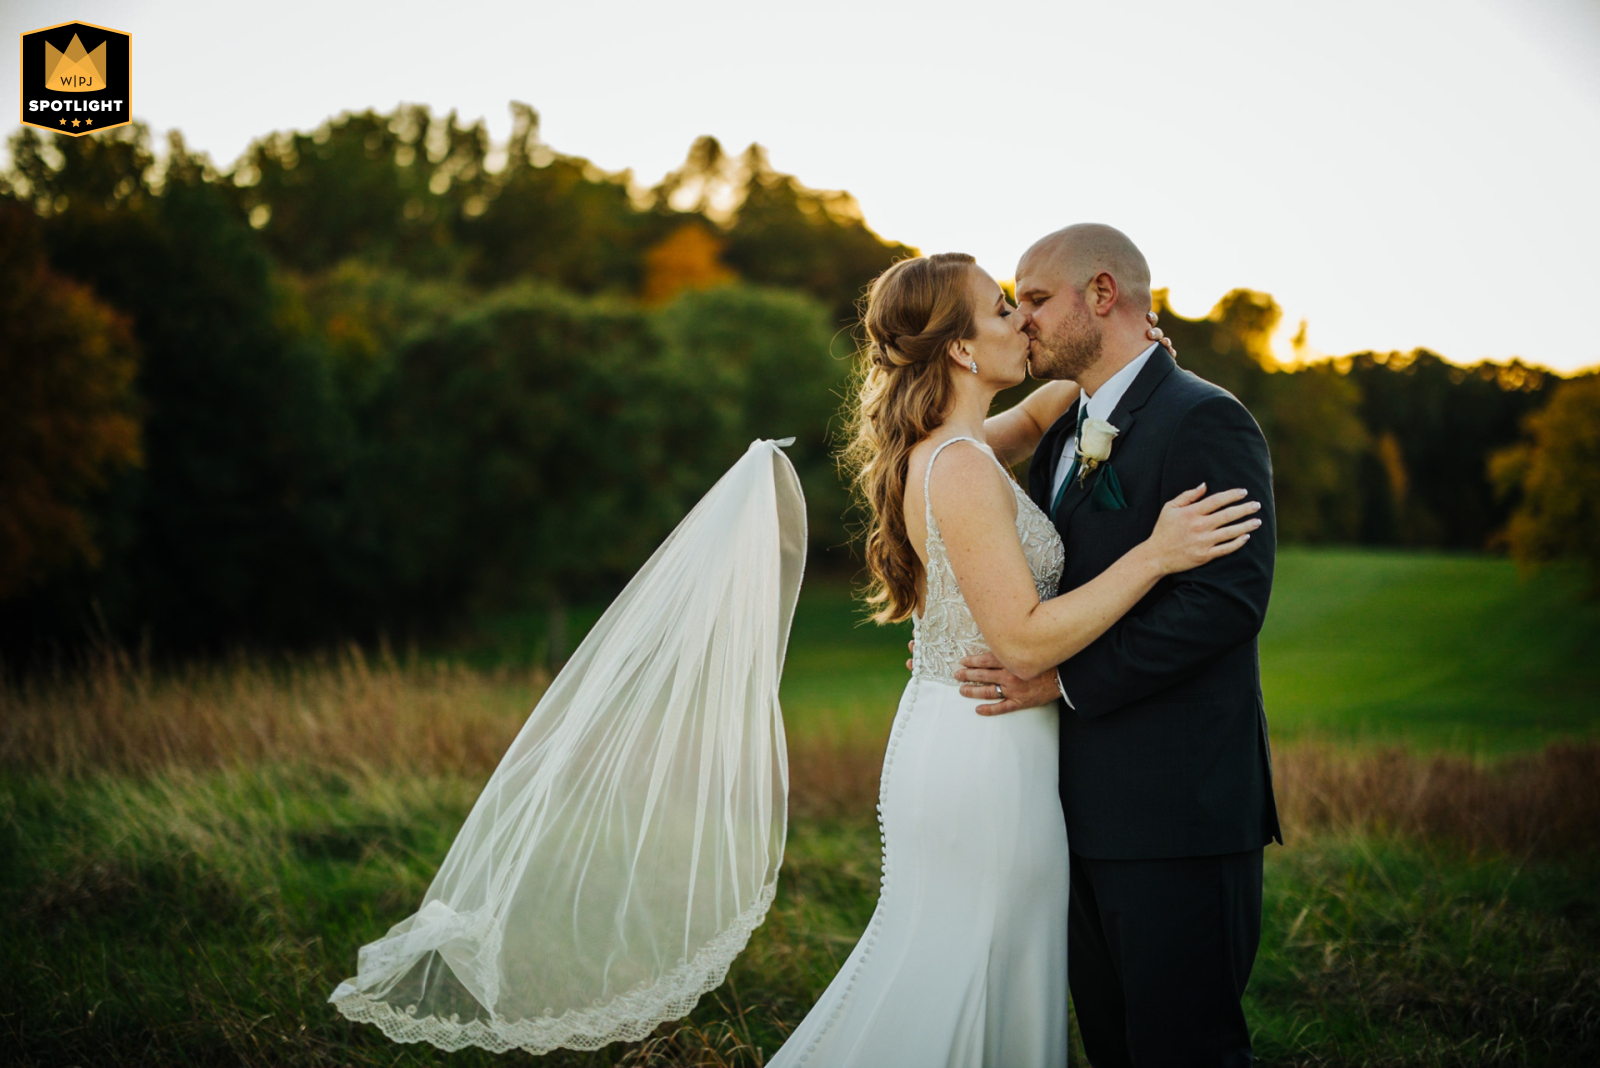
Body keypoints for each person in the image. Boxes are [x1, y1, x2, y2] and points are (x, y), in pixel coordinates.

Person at [764, 249, 1262, 1067]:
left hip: (960, 735)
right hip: (988, 745)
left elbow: (1030, 422)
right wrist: (1157, 554)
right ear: (960, 349)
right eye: (1003, 310)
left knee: (963, 965)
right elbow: (1024, 640)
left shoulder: (948, 446)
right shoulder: (958, 467)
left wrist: (1117, 364)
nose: (1021, 322)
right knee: (973, 972)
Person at [951, 225, 1283, 1067]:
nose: (1021, 320)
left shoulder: (1205, 418)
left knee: (1184, 1047)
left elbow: (1225, 603)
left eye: (1033, 299)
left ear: (1101, 295)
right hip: (1073, 812)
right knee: (1111, 1044)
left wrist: (1060, 682)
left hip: (1179, 810)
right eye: (1012, 303)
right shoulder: (1066, 428)